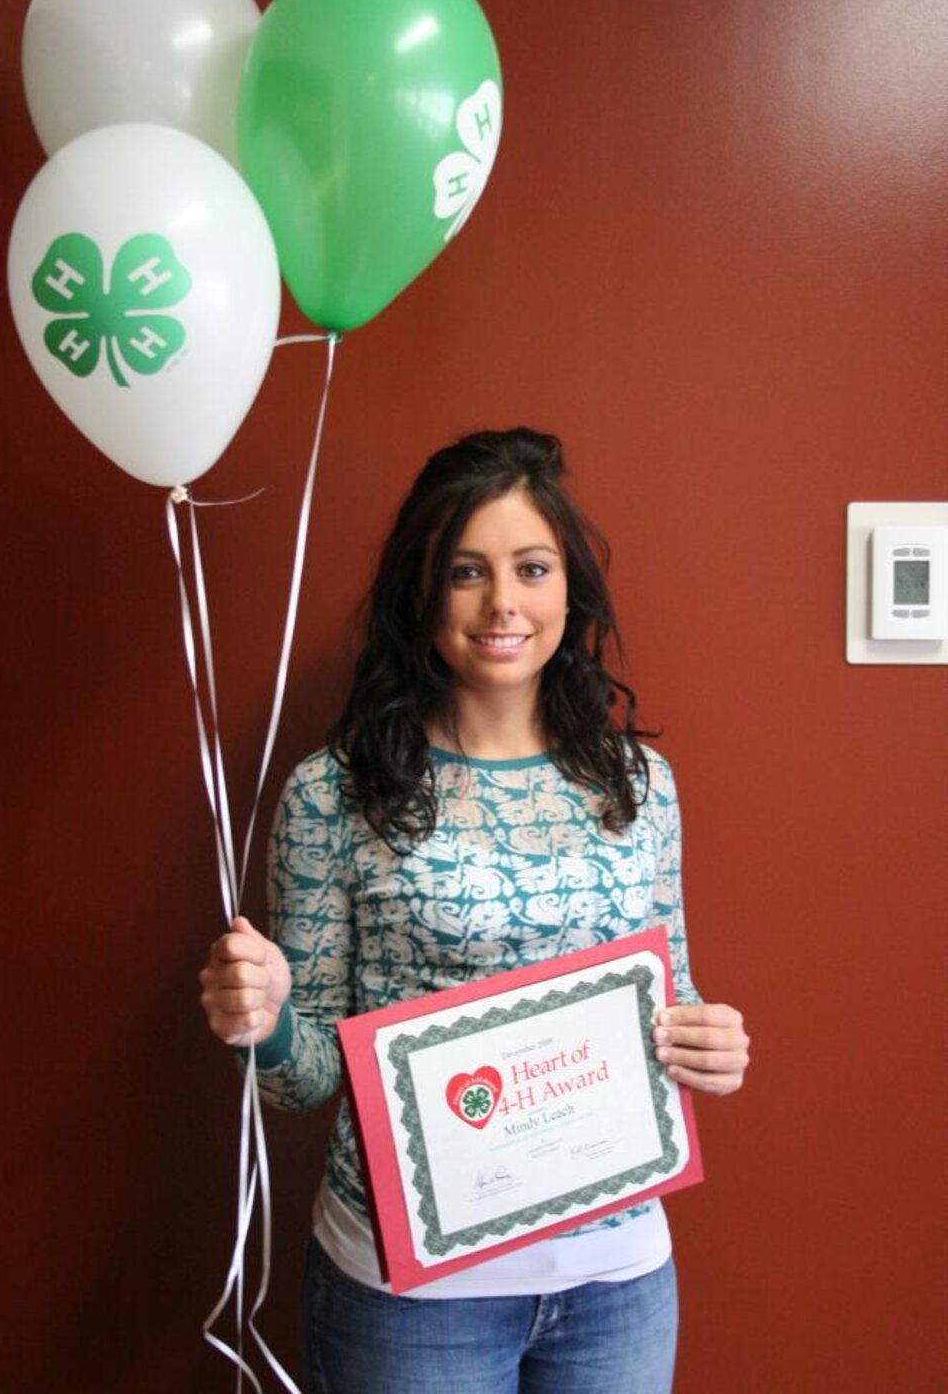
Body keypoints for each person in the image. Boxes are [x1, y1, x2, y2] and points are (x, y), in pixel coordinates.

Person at [200, 428, 750, 1394]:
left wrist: (709, 1045)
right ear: (423, 595)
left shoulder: (641, 785)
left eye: (531, 568)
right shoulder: (333, 794)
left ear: (567, 588)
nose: (503, 602)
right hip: (410, 1301)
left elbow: (669, 1002)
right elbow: (305, 1082)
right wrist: (273, 1019)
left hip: (617, 1281)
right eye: (466, 571)